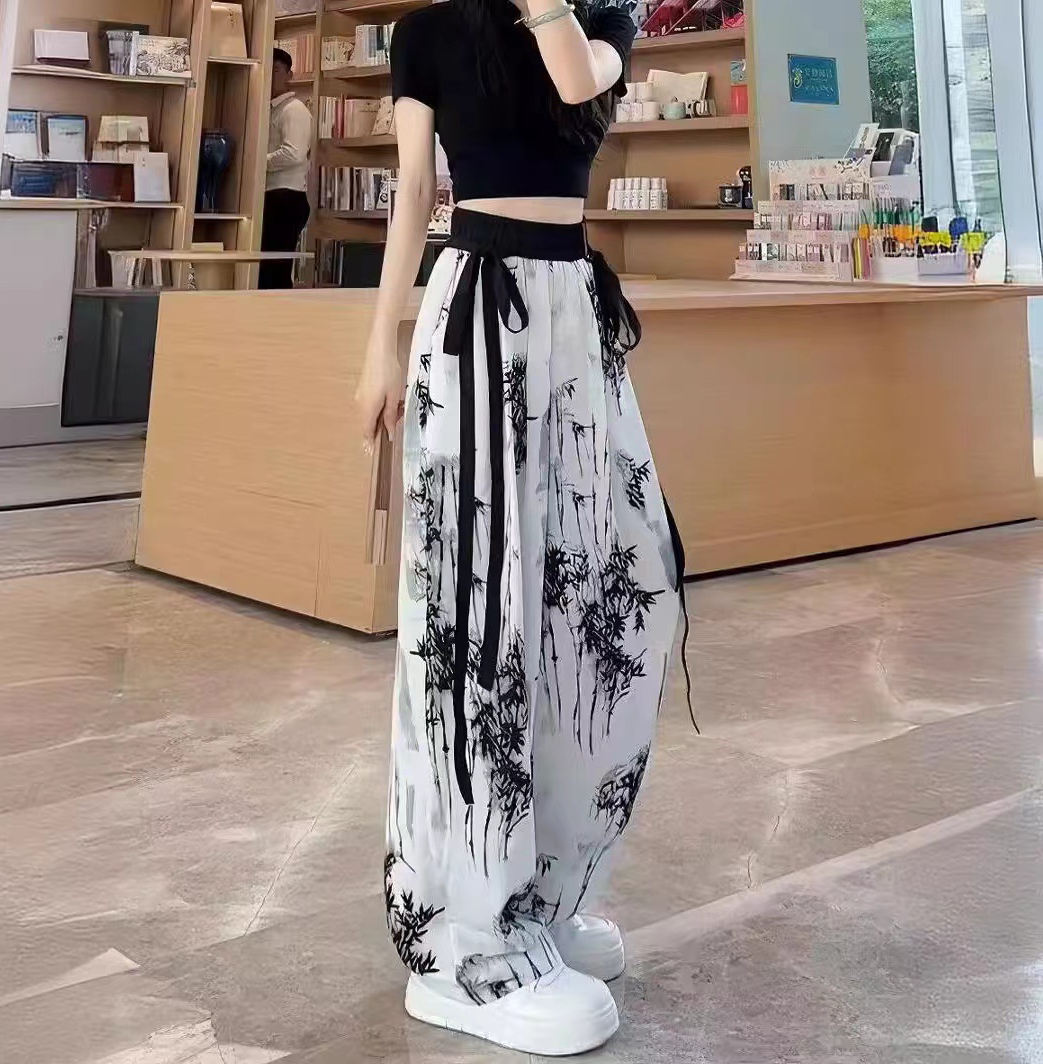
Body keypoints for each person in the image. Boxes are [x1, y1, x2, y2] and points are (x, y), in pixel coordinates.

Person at [354, 0, 683, 1054]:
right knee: (475, 613)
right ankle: (468, 938)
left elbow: (577, 84)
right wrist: (378, 345)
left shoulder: (600, 20)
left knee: (608, 605)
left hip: (573, 318)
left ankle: (543, 893)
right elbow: (414, 193)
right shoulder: (428, 32)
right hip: (473, 313)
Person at [261, 47, 311, 289]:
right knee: (266, 270)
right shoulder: (268, 108)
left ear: (289, 75)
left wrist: (258, 164)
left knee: (275, 271)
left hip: (286, 198)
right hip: (272, 196)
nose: (270, 76)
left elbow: (294, 153)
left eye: (276, 70)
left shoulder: (294, 109)